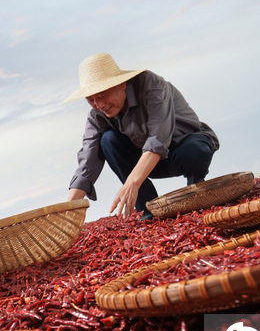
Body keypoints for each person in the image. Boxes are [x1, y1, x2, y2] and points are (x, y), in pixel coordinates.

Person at [64, 53, 220, 219]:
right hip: (147, 164)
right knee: (107, 140)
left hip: (183, 149)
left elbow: (158, 139)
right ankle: (147, 208)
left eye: (102, 95)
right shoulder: (97, 114)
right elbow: (88, 159)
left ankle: (196, 185)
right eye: (91, 99)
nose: (99, 105)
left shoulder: (153, 86)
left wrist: (132, 183)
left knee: (193, 150)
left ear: (121, 83)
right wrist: (68, 211)